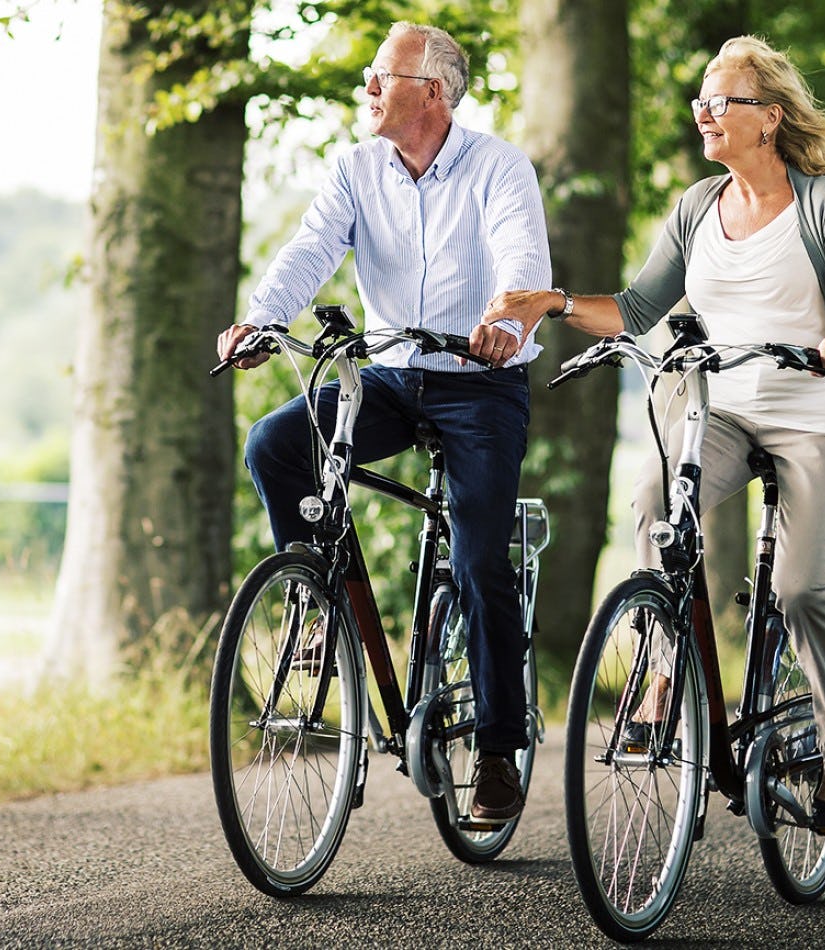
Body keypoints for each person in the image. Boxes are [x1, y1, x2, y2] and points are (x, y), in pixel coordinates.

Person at [476, 35, 825, 836]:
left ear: (767, 118)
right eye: (700, 99)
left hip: (814, 410)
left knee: (801, 589)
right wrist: (550, 303)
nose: (703, 112)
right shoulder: (696, 206)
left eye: (719, 100)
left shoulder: (824, 203)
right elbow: (634, 308)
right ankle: (667, 681)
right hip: (721, 409)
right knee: (657, 502)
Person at [217, 21, 551, 822]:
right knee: (276, 443)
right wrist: (262, 319)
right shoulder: (357, 168)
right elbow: (309, 248)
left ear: (431, 92)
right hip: (393, 378)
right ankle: (313, 596)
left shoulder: (499, 168)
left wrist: (507, 319)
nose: (367, 88)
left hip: (481, 380)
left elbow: (520, 258)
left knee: (477, 556)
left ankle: (500, 751)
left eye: (381, 76)